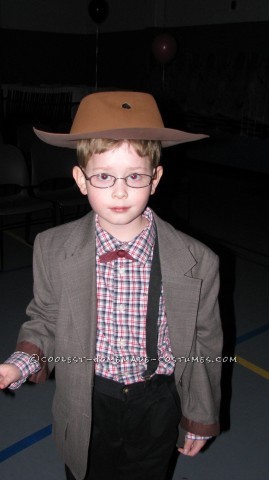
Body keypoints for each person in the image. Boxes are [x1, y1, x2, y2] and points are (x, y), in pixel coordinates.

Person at [0, 91, 223, 480]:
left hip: (157, 401)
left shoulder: (198, 260)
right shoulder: (53, 248)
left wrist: (199, 416)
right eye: (103, 176)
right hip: (87, 397)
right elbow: (46, 318)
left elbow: (204, 347)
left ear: (155, 178)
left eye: (134, 175)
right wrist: (19, 364)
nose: (119, 191)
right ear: (80, 180)